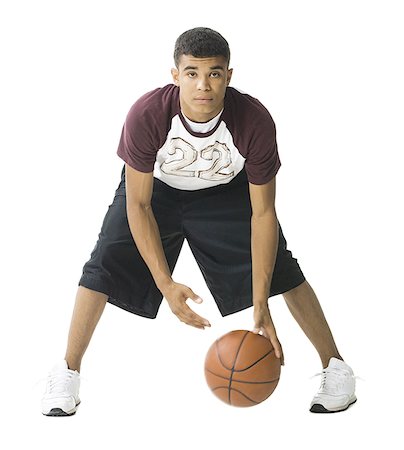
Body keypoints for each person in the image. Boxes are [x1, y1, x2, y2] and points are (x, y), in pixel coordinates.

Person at [41, 27, 356, 416]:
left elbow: (263, 213)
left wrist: (260, 305)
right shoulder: (148, 114)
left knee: (282, 269)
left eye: (214, 73)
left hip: (224, 193)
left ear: (229, 75)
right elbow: (137, 205)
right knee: (103, 262)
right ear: (175, 76)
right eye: (192, 73)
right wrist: (165, 283)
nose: (203, 85)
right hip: (156, 192)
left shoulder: (253, 121)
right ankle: (67, 373)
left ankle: (337, 368)